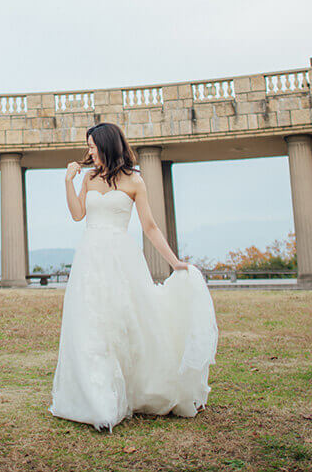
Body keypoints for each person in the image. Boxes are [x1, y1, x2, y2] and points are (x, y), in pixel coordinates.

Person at [49, 122, 218, 431]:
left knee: (123, 321)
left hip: (120, 257)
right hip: (89, 257)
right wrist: (68, 182)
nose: (88, 151)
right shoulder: (88, 178)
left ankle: (129, 388)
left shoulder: (135, 181)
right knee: (90, 322)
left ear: (106, 146)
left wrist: (174, 261)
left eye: (92, 146)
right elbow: (77, 214)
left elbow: (150, 226)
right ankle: (96, 396)